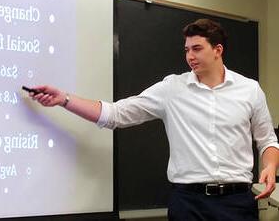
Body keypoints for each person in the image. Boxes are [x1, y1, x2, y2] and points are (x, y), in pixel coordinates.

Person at [28, 19, 279, 221]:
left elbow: (267, 140)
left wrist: (269, 166)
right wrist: (64, 99)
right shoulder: (172, 89)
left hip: (236, 203)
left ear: (218, 50)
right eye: (186, 50)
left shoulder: (250, 90)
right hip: (188, 204)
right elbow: (115, 114)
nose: (189, 56)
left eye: (197, 48)